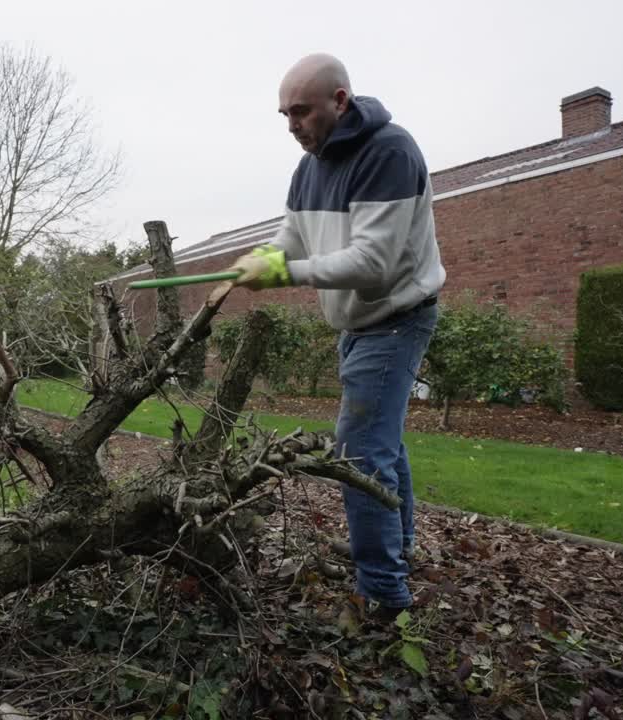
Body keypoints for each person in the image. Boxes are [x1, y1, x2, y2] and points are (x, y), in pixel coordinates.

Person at [227, 53, 445, 621]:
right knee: (383, 447)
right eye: (284, 114)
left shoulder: (390, 153)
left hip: (395, 319)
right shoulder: (310, 166)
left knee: (359, 452)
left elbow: (374, 262)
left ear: (340, 101)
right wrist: (267, 255)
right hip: (356, 324)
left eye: (300, 111)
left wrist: (284, 274)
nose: (292, 124)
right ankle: (395, 550)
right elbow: (294, 234)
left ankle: (383, 592)